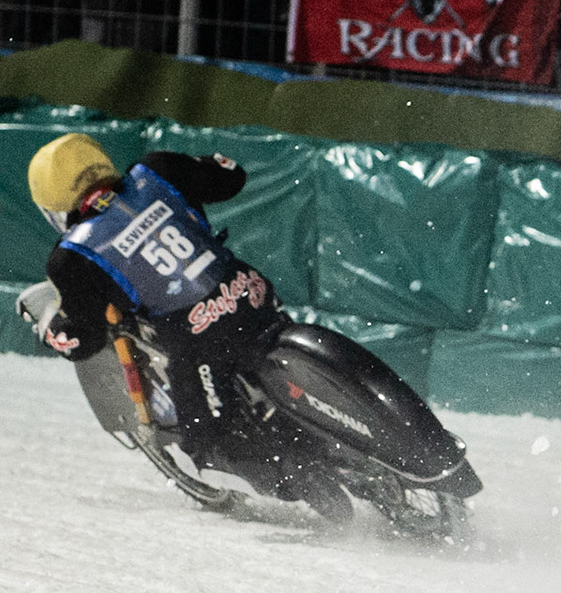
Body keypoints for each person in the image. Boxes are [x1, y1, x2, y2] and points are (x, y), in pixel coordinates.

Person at [24, 134, 345, 515]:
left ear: (54, 207)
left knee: (207, 445)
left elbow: (86, 340)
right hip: (253, 294)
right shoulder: (157, 170)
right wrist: (205, 165)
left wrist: (53, 333)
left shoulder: (71, 257)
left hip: (202, 338)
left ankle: (302, 476)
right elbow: (232, 178)